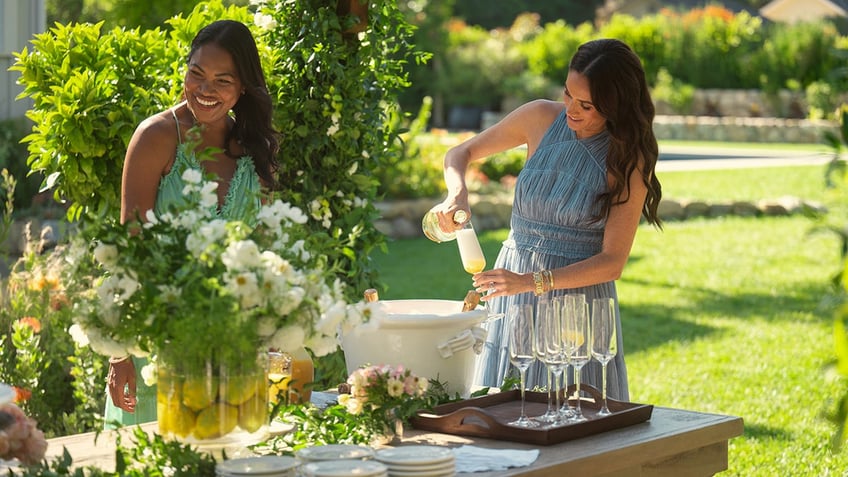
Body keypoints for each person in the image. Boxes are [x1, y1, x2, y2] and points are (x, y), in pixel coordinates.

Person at [432, 38, 662, 401]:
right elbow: (460, 153)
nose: (571, 108)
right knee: (502, 411)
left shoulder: (626, 158)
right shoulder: (539, 118)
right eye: (568, 94)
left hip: (575, 306)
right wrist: (456, 194)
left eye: (586, 105)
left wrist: (531, 281)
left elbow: (612, 262)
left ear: (616, 105)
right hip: (512, 290)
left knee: (571, 424)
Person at [106, 19, 280, 427]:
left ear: (242, 89)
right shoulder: (156, 137)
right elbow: (128, 247)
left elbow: (266, 254)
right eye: (196, 74)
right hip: (156, 347)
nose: (205, 90)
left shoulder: (254, 149)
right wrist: (120, 351)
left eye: (223, 80)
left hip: (232, 356)